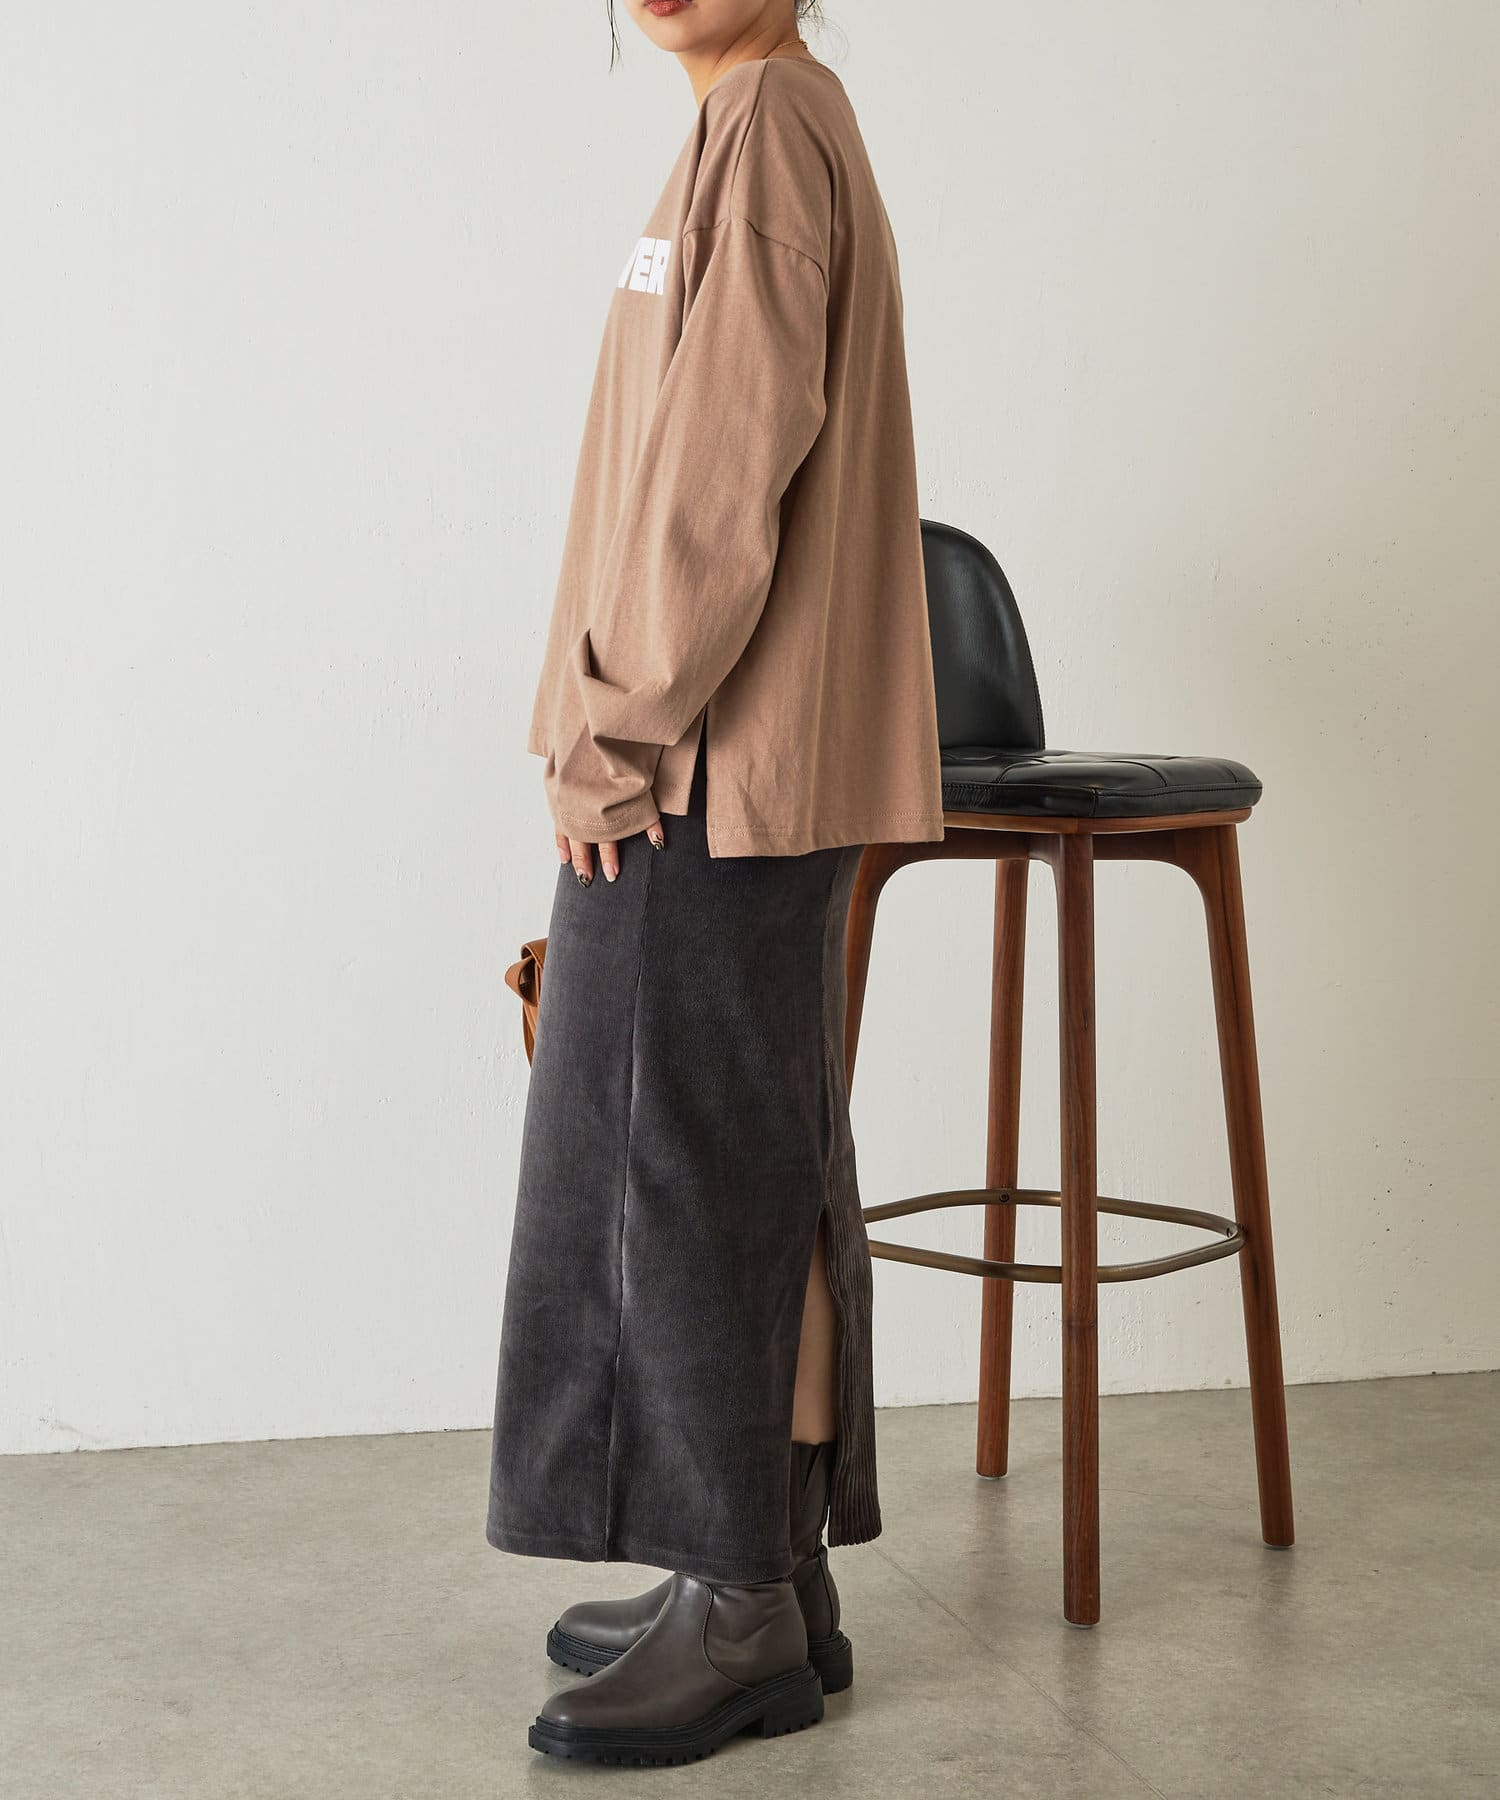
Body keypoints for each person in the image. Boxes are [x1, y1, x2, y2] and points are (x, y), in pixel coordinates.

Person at [487, 0, 944, 1765]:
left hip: (702, 756)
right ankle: (769, 1568)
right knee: (752, 1156)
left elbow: (716, 480)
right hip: (737, 752)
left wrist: (613, 723)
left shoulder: (764, 130)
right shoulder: (761, 120)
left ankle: (739, 1600)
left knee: (672, 1164)